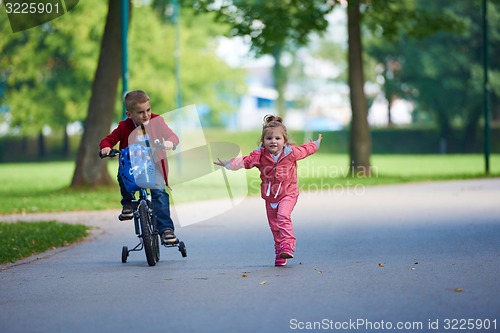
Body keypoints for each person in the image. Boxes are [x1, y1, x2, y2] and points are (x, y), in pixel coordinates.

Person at [214, 115, 322, 266]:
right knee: (274, 225)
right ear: (263, 141)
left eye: (277, 138)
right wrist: (228, 163)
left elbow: (306, 150)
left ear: (284, 141)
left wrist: (315, 144)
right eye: (269, 138)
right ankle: (280, 252)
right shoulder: (259, 156)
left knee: (283, 216)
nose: (273, 141)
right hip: (270, 196)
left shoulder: (291, 153)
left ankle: (288, 245)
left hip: (288, 193)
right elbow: (244, 162)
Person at [100, 90, 179, 244]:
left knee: (159, 194)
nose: (146, 115)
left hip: (154, 165)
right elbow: (109, 139)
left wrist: (169, 143)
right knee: (122, 177)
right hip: (132, 166)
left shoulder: (157, 121)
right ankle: (128, 203)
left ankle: (166, 230)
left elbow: (172, 136)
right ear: (129, 114)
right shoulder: (124, 126)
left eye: (148, 110)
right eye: (140, 112)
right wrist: (106, 148)